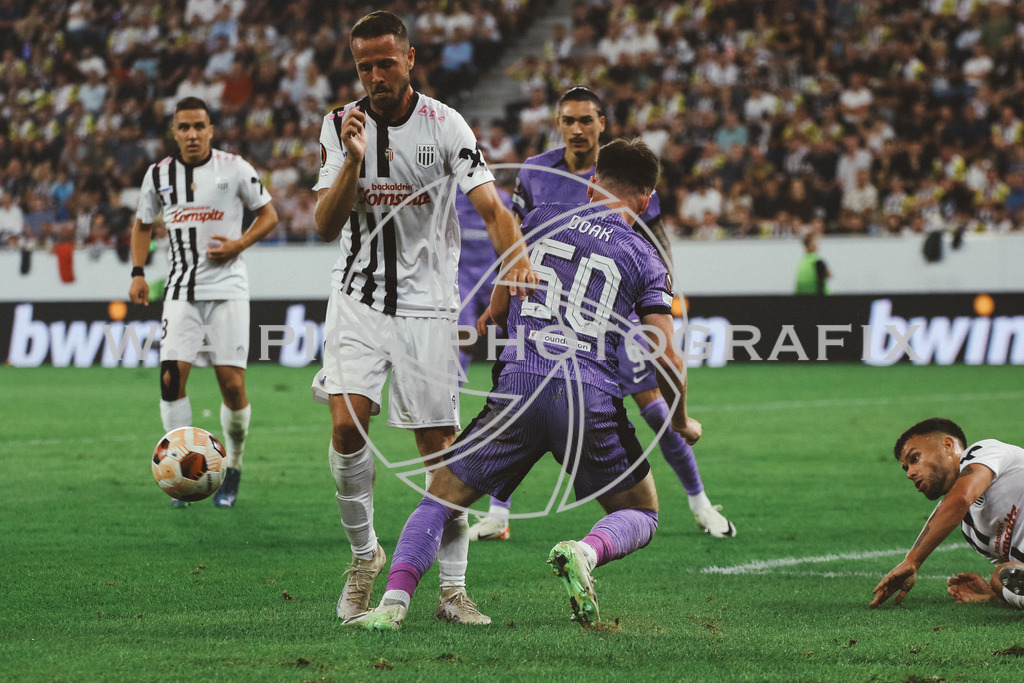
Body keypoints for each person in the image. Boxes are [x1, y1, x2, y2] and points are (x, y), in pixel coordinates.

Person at [344, 138, 702, 631]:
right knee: (642, 512)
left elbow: (498, 301)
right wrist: (681, 419)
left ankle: (392, 605)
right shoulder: (646, 256)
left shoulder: (540, 218)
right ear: (645, 200)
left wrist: (503, 324)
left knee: (439, 498)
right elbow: (666, 353)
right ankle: (584, 550)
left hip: (518, 387)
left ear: (593, 181)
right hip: (587, 397)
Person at [310, 11, 535, 625]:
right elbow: (324, 226)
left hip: (428, 306)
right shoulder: (339, 126)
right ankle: (365, 557)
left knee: (442, 454)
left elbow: (491, 207)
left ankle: (453, 591)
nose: (376, 76)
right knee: (346, 424)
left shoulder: (445, 125)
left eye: (386, 63)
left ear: (410, 60)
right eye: (365, 67)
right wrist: (353, 161)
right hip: (356, 298)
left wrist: (513, 266)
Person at [467, 86, 735, 542]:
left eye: (585, 120)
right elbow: (513, 237)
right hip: (545, 311)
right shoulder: (535, 172)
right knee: (519, 397)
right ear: (558, 123)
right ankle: (498, 514)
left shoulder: (622, 171)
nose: (576, 128)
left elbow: (655, 241)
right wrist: (505, 295)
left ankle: (700, 503)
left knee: (652, 407)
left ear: (601, 124)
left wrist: (669, 298)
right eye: (568, 120)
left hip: (614, 314)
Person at [129, 96, 279, 509]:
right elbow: (142, 224)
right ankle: (181, 474)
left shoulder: (235, 168)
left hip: (228, 289)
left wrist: (238, 244)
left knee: (232, 386)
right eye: (184, 127)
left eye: (199, 126)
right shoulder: (159, 174)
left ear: (211, 129)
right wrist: (138, 273)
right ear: (174, 132)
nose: (192, 134)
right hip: (179, 290)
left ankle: (234, 467)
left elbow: (269, 215)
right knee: (170, 379)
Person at [870, 418, 1024, 609]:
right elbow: (1015, 575)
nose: (910, 473)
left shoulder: (984, 451)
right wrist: (993, 593)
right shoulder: (971, 532)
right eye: (906, 468)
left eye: (915, 458)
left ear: (948, 445)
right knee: (999, 578)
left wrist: (913, 561)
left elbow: (959, 498)